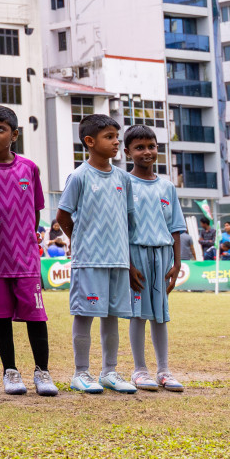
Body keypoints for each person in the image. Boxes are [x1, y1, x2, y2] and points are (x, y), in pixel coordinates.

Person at [0, 105, 56, 397]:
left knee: (36, 317)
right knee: (1, 317)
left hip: (26, 259)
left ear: (14, 134)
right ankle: (10, 371)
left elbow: (34, 211)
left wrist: (28, 242)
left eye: (0, 129)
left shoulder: (28, 168)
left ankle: (42, 372)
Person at [55, 113, 137, 395]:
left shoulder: (124, 179)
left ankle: (109, 372)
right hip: (89, 260)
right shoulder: (78, 176)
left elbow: (127, 221)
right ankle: (80, 373)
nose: (116, 142)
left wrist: (128, 260)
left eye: (117, 137)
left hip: (118, 261)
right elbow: (63, 216)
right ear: (90, 142)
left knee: (112, 316)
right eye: (110, 137)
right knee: (85, 315)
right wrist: (80, 240)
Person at [122, 126, 186, 392]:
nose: (146, 152)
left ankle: (164, 370)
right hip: (135, 254)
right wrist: (128, 264)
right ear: (127, 152)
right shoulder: (124, 183)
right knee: (138, 314)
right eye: (139, 147)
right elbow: (121, 228)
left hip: (162, 255)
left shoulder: (167, 186)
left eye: (151, 146)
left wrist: (177, 262)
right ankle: (139, 370)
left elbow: (175, 228)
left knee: (161, 315)